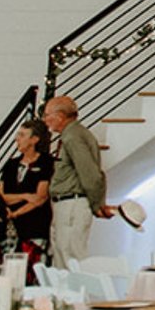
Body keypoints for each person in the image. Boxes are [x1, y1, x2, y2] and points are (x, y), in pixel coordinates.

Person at [41, 94, 111, 267]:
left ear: (60, 116)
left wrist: (97, 204)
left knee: (71, 258)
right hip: (67, 204)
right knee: (63, 256)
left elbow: (90, 174)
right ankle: (66, 294)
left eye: (47, 115)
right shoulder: (72, 135)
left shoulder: (73, 137)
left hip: (72, 204)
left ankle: (75, 293)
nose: (45, 120)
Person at [0, 121, 55, 269]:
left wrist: (17, 212)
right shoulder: (11, 164)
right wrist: (25, 196)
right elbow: (3, 195)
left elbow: (40, 198)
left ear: (34, 139)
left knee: (32, 270)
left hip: (34, 226)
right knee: (6, 270)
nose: (17, 139)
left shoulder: (46, 162)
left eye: (22, 135)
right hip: (9, 228)